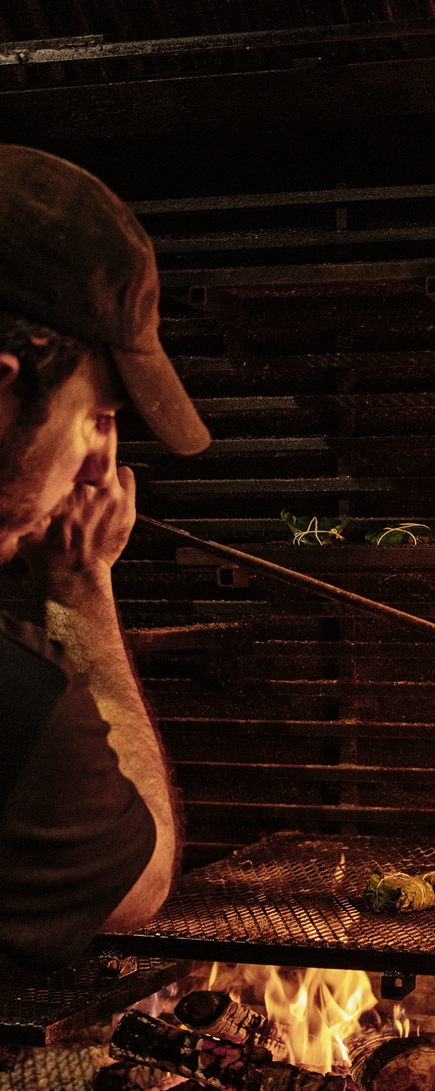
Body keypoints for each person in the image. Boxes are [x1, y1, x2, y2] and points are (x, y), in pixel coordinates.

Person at [0, 144, 210, 972]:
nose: (101, 466)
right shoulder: (18, 703)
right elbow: (139, 883)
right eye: (97, 416)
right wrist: (80, 586)